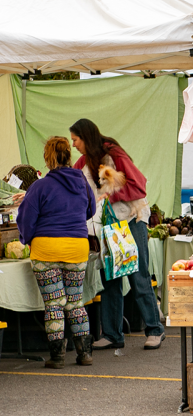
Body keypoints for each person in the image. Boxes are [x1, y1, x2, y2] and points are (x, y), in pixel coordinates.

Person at [69, 119, 165, 351]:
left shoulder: (114, 153)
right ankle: (112, 334)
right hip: (107, 225)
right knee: (110, 278)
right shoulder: (84, 161)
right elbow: (72, 181)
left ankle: (154, 329)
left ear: (86, 137)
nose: (73, 145)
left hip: (131, 220)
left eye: (76, 140)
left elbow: (139, 185)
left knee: (138, 274)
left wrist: (109, 192)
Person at [18, 137, 97, 368]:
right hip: (77, 248)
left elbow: (26, 218)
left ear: (48, 157)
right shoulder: (81, 181)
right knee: (75, 301)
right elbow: (90, 209)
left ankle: (57, 357)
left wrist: (26, 238)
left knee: (54, 303)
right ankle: (85, 355)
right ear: (68, 156)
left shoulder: (40, 186)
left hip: (46, 250)